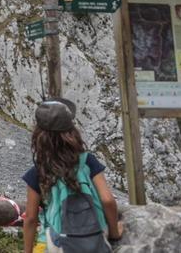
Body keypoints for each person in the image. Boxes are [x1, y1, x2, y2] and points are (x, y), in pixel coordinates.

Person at [21, 98, 122, 253]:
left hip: (56, 245)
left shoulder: (38, 171)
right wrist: (114, 232)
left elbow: (30, 219)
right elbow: (108, 200)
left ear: (39, 136)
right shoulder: (88, 161)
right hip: (94, 241)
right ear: (72, 132)